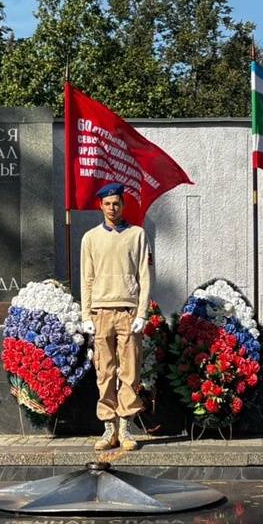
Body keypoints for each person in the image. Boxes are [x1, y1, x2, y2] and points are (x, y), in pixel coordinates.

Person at [80, 182, 151, 452]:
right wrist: (86, 313)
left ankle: (126, 427)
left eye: (117, 203)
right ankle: (108, 427)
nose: (112, 208)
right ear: (100, 205)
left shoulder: (137, 235)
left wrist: (142, 312)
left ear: (123, 205)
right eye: (107, 203)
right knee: (105, 371)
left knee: (130, 371)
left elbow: (145, 276)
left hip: (128, 310)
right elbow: (86, 279)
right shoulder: (90, 238)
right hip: (101, 311)